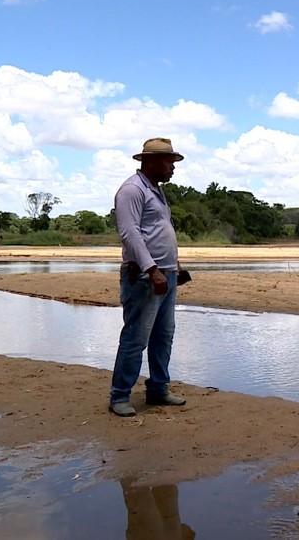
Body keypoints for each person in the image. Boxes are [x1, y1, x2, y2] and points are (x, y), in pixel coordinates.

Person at [109, 138, 187, 417]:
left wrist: (173, 266)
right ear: (150, 161)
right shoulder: (132, 190)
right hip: (144, 277)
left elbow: (159, 229)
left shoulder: (156, 190)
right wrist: (152, 270)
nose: (172, 168)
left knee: (163, 336)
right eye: (169, 162)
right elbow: (130, 233)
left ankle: (158, 389)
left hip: (165, 275)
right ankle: (119, 396)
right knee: (136, 338)